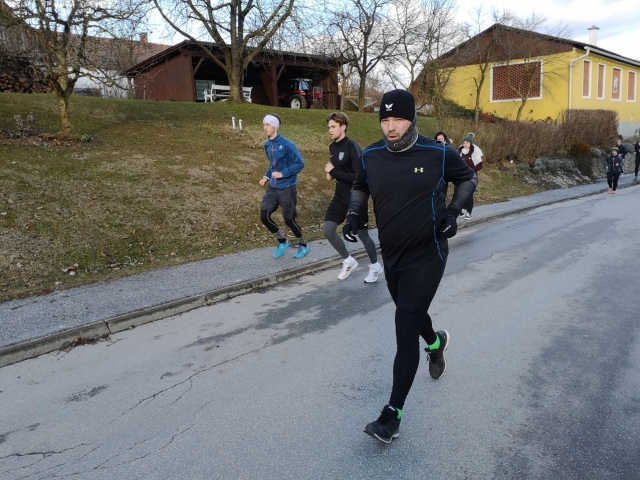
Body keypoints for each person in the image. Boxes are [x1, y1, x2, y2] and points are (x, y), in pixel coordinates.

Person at [347, 89, 475, 444]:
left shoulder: (438, 152)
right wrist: (355, 213)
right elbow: (360, 187)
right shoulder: (371, 155)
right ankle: (435, 342)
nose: (391, 127)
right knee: (411, 313)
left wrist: (453, 211)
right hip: (393, 255)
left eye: (398, 119)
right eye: (385, 120)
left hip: (427, 254)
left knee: (404, 326)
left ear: (412, 119)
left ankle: (392, 416)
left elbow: (468, 179)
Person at [323, 112, 382, 282]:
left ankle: (375, 267)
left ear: (343, 127)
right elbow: (339, 170)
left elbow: (359, 176)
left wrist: (334, 172)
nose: (330, 130)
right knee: (328, 230)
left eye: (333, 127)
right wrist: (331, 174)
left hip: (356, 196)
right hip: (340, 196)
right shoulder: (332, 147)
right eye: (329, 127)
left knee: (362, 234)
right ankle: (348, 260)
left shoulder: (352, 147)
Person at [259, 114, 309, 259]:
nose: (265, 128)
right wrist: (266, 176)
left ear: (275, 126)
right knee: (264, 216)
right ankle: (282, 241)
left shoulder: (287, 144)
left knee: (289, 219)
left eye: (268, 125)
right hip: (273, 188)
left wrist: (283, 174)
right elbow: (273, 165)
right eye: (264, 125)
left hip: (287, 187)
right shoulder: (267, 145)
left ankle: (303, 245)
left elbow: (300, 164)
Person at [457, 133, 483, 220]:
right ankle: (462, 209)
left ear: (470, 144)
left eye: (467, 143)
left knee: (469, 193)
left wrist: (471, 170)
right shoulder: (460, 151)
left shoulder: (475, 152)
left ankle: (469, 212)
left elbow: (480, 165)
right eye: (464, 142)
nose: (465, 144)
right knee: (460, 193)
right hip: (461, 176)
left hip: (471, 176)